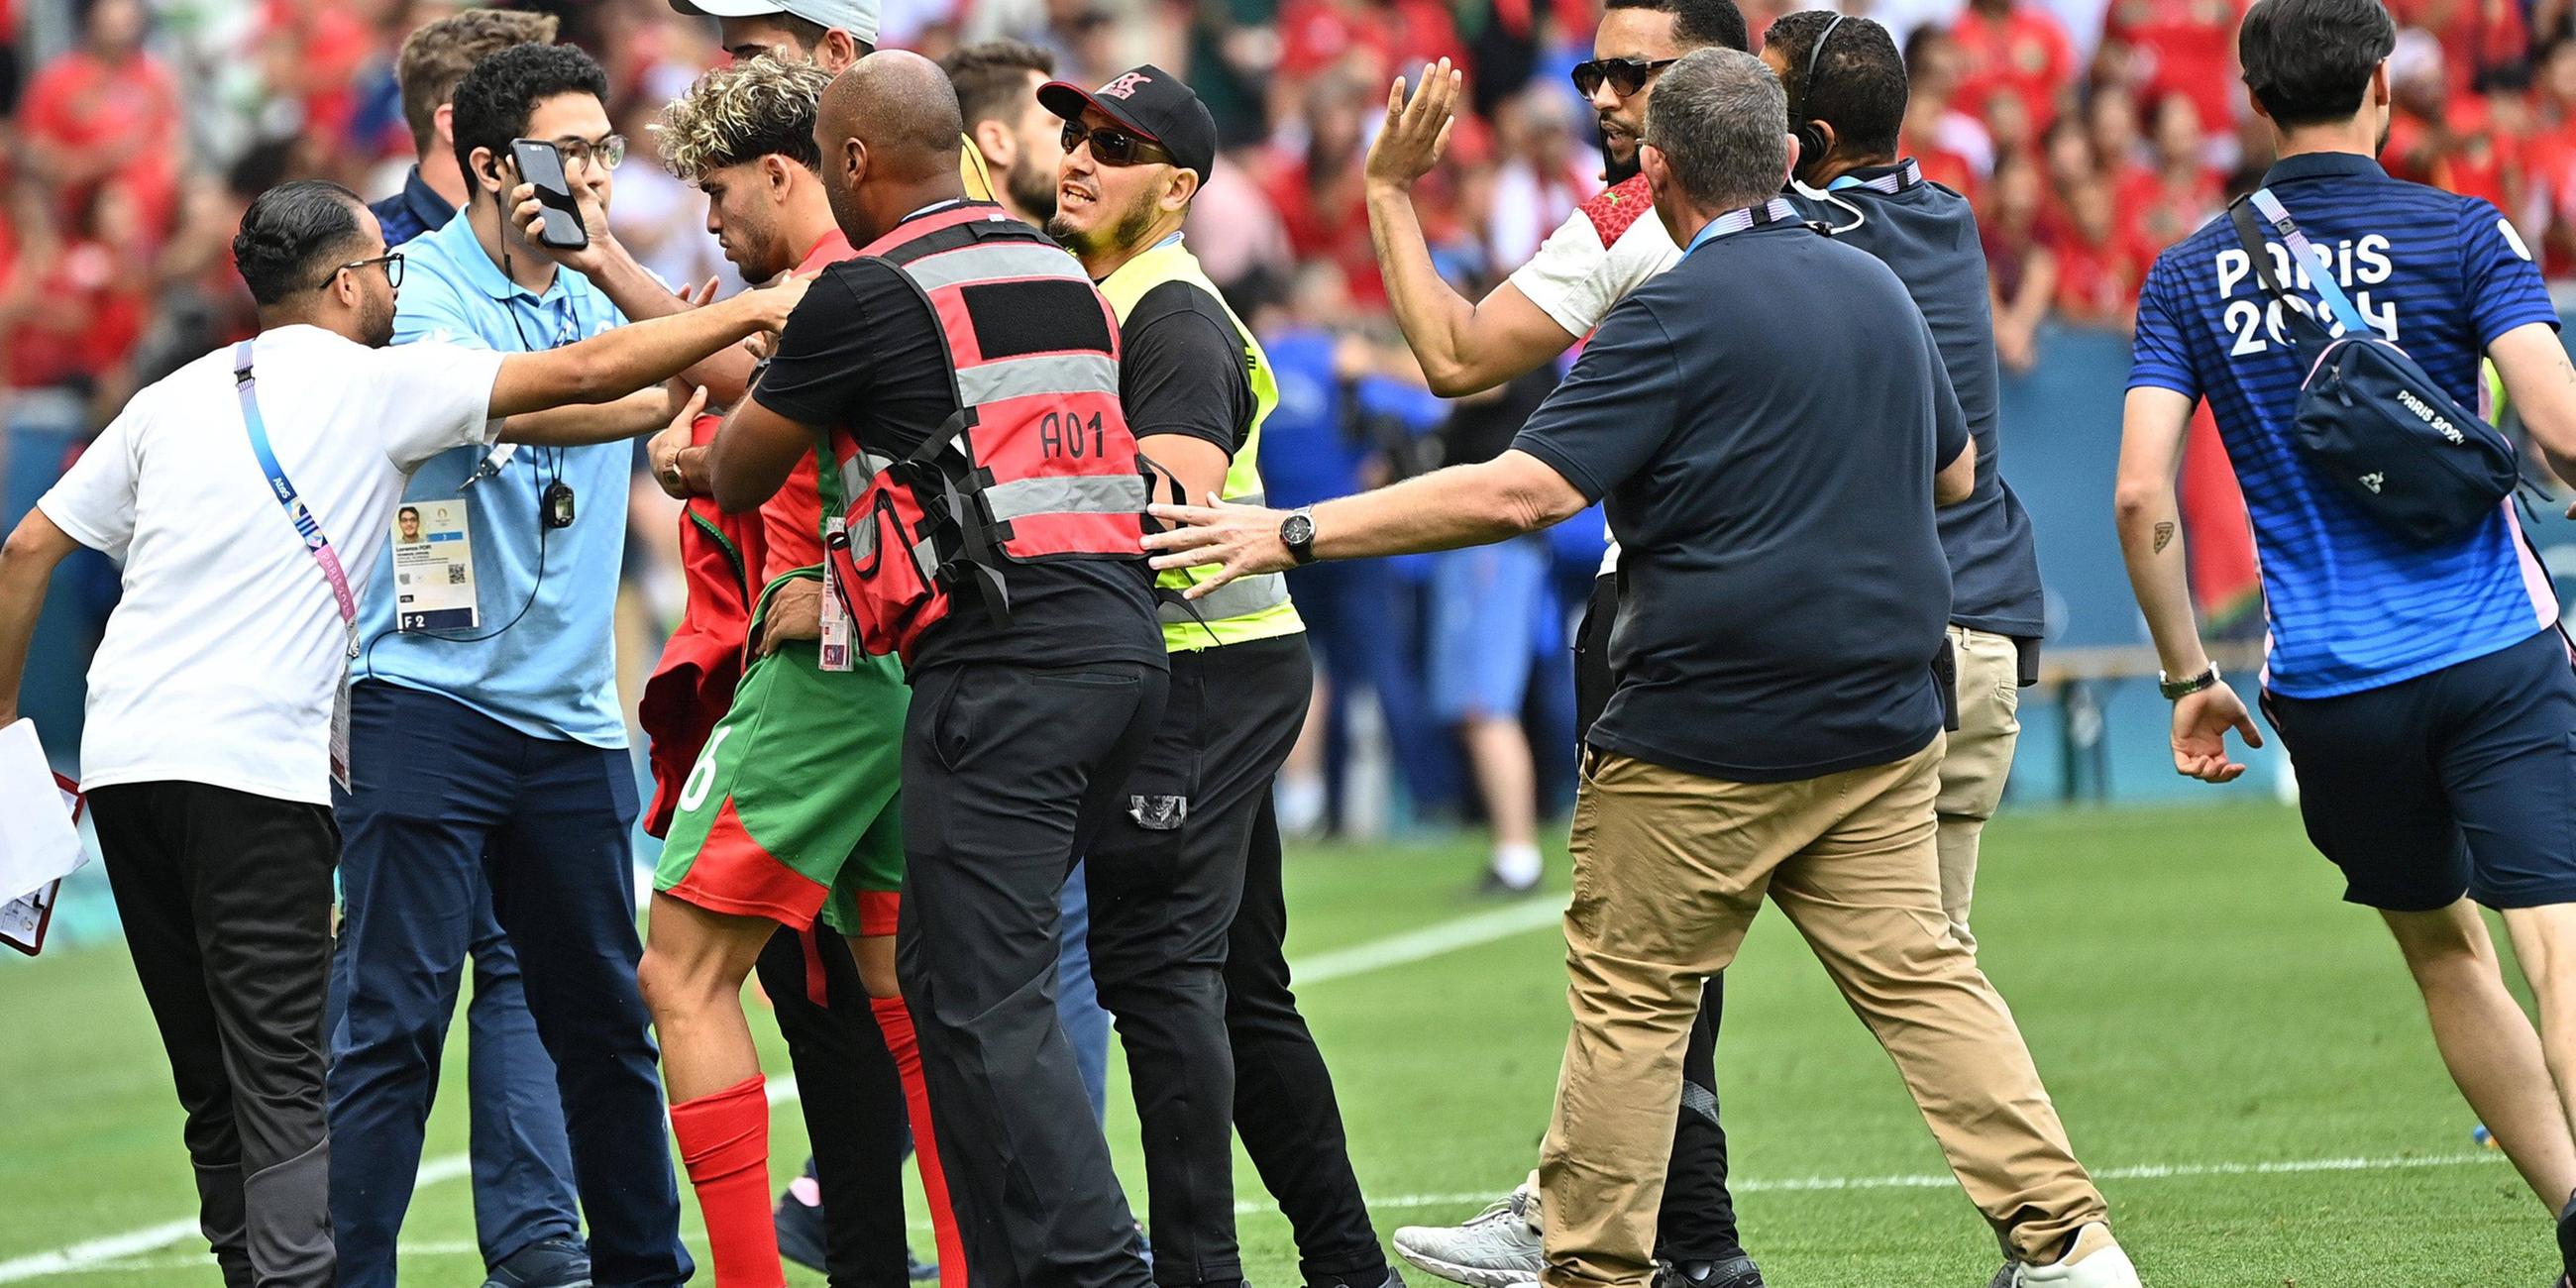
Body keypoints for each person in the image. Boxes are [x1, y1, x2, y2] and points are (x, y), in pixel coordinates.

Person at [1154, 47, 2142, 1288]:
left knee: (1632, 1007)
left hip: (1704, 729)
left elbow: (1522, 490)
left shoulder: (1670, 309)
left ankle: (1591, 1268)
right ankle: (2070, 1244)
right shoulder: (1878, 289)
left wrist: (1290, 530)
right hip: (1883, 715)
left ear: (1657, 171)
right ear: (1786, 159)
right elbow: (1953, 474)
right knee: (1927, 983)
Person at [0, 178, 801, 1288]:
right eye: (385, 264)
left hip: (129, 766)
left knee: (211, 1086)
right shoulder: (382, 384)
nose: (398, 280)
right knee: (284, 1074)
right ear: (342, 285)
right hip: (255, 773)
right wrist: (747, 312)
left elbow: (25, 553)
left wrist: (3, 723)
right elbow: (572, 372)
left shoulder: (172, 395)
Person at [2114, 1, 2576, 1282]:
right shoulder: (2463, 231)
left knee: (2442, 950)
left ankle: (2574, 1214)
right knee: (2559, 939)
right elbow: (2562, 426)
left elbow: (2141, 497)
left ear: (2254, 99)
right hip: (2490, 648)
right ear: (2383, 86)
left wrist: (2183, 679)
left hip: (2330, 684)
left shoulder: (2187, 273)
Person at [699, 52, 1167, 1288]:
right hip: (1119, 647)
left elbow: (745, 469)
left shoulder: (864, 288)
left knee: (984, 993)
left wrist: (705, 454)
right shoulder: (1052, 265)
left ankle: (1098, 1265)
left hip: (1001, 664)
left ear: (850, 162)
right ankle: (1012, 1266)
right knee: (948, 978)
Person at [1362, 2, 1767, 1282]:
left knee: (1642, 964)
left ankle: (1600, 1209)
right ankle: (2054, 1235)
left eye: (1631, 75)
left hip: (1670, 617)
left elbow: (1450, 360)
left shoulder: (1628, 227)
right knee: (1878, 969)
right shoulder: (1830, 207)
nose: (1601, 94)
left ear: (1707, 83)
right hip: (1841, 620)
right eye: (1592, 70)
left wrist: (1387, 191)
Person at [325, 43, 696, 1288]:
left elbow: (706, 384)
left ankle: (642, 1266)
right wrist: (652, 384)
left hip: (573, 720)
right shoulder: (412, 285)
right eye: (568, 151)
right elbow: (533, 402)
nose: (596, 174)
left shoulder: (604, 282)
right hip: (423, 702)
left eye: (604, 148)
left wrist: (624, 277)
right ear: (490, 165)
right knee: (391, 1022)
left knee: (606, 1023)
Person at [1043, 65, 1397, 1288]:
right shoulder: (1119, 295)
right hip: (1217, 667)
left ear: (1177, 188)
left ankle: (1201, 1272)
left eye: (1115, 145)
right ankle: (1348, 1268)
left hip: (1200, 670)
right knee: (1239, 988)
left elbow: (1168, 511)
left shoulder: (1168, 314)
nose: (1079, 156)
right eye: (1076, 133)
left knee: (1157, 973)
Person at [615, 56, 962, 1288]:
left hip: (821, 669)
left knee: (679, 967)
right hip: (904, 675)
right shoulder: (885, 279)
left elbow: (754, 420)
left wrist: (698, 461)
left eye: (719, 193)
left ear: (786, 171)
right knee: (897, 990)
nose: (713, 221)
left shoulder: (828, 292)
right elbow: (764, 388)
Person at [363, 13, 590, 1287]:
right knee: (393, 997)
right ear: (476, 137)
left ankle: (539, 1241)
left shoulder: (568, 267)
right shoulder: (364, 270)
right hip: (408, 677)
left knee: (531, 976)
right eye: (563, 143)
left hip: (546, 686)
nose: (585, 168)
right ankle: (340, 1254)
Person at [1766, 8, 2049, 954]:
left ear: (1811, 141)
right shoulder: (1949, 212)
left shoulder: (1808, 240)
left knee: (1664, 913)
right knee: (1936, 968)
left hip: (1891, 648)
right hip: (1987, 633)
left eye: (1764, 100)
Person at [936, 34, 1121, 1130]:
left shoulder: (1053, 270)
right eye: (1069, 133)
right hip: (1020, 652)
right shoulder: (1017, 278)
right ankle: (1073, 1217)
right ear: (993, 139)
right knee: (1028, 947)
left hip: (1027, 652)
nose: (1084, 156)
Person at [373, 8, 561, 248]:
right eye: (530, 110)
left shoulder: (558, 242)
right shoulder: (375, 254)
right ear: (455, 126)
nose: (552, 134)